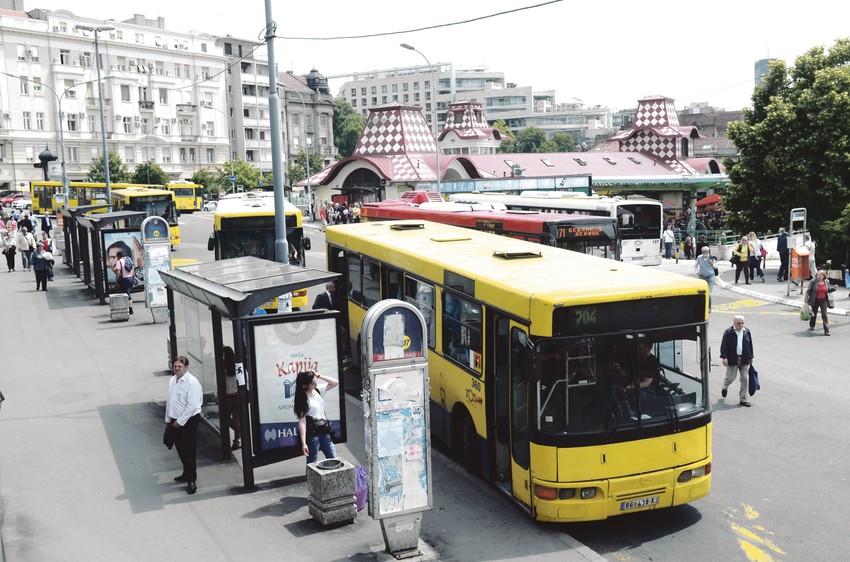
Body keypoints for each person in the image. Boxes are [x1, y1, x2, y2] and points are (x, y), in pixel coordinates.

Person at [165, 356, 202, 494]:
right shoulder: (172, 381)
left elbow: (192, 406)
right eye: (175, 366)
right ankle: (186, 473)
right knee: (180, 448)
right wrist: (168, 420)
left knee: (189, 450)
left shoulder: (192, 383)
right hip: (175, 420)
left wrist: (179, 422)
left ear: (186, 367)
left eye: (180, 366)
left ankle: (191, 480)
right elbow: (170, 401)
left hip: (188, 421)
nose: (177, 369)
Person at [294, 370, 339, 464]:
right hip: (312, 434)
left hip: (324, 429)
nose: (315, 384)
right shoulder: (302, 398)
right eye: (312, 383)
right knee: (312, 462)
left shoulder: (318, 390)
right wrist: (303, 443)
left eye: (315, 381)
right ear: (305, 385)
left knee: (333, 458)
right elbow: (302, 422)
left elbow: (335, 382)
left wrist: (319, 375)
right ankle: (311, 479)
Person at [719, 315, 754, 407]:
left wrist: (751, 356)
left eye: (742, 323)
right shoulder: (728, 332)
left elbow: (750, 345)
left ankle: (743, 399)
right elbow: (724, 345)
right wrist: (724, 357)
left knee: (745, 379)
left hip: (744, 358)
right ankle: (725, 387)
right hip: (732, 358)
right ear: (734, 323)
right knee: (730, 378)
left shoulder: (746, 331)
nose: (741, 325)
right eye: (739, 323)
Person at [805, 269, 834, 336]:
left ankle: (826, 330)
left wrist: (834, 288)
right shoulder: (813, 281)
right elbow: (808, 291)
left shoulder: (826, 281)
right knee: (813, 314)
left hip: (823, 301)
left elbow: (828, 290)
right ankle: (812, 325)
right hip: (814, 300)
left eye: (820, 276)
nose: (818, 277)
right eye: (818, 275)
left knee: (824, 315)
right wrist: (806, 298)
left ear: (823, 276)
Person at [222, 346, 241, 450]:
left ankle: (239, 431)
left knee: (225, 418)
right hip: (237, 396)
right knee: (237, 419)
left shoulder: (223, 368)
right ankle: (236, 441)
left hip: (227, 398)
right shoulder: (237, 367)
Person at [110, 249, 135, 315]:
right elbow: (133, 270)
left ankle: (130, 309)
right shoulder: (128, 260)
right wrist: (133, 278)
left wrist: (117, 281)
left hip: (124, 279)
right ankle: (129, 308)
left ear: (118, 256)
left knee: (127, 294)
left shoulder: (119, 262)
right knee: (128, 292)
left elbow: (118, 272)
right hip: (130, 278)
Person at [695, 246, 716, 312]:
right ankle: (701, 306)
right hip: (702, 276)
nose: (705, 252)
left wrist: (712, 264)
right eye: (704, 251)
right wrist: (697, 272)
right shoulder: (699, 257)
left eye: (706, 251)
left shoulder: (711, 258)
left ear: (708, 251)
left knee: (709, 293)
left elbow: (715, 267)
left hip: (710, 276)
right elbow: (695, 266)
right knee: (701, 292)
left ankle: (709, 307)